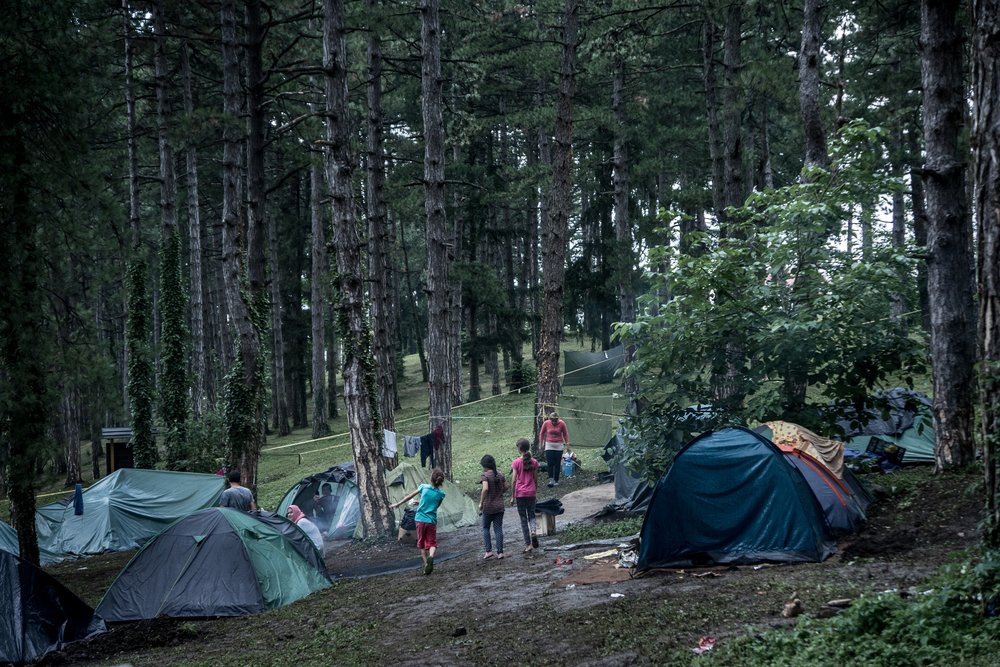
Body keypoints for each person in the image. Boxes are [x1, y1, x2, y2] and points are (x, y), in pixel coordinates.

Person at [391, 468, 446, 574]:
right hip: (431, 521)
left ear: (431, 478)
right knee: (432, 543)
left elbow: (408, 497)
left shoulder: (423, 487)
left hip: (420, 519)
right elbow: (435, 506)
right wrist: (420, 502)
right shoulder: (441, 494)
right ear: (440, 481)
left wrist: (397, 504)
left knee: (421, 543)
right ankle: (431, 556)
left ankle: (426, 566)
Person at [510, 438, 539, 553]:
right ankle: (533, 532)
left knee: (523, 519)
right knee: (531, 515)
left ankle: (528, 544)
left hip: (520, 494)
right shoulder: (535, 462)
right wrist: (534, 492)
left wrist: (513, 496)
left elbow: (513, 481)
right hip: (531, 492)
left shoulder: (516, 462)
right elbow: (535, 479)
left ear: (519, 449)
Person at [478, 454, 506, 560]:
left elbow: (485, 489)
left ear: (485, 466)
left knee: (486, 528)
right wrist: (499, 492)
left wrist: (481, 502)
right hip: (499, 506)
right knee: (498, 529)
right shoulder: (499, 474)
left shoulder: (485, 476)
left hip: (488, 507)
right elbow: (506, 486)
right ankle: (500, 552)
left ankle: (488, 551)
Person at [538, 411, 570, 487]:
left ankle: (556, 479)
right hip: (549, 444)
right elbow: (541, 433)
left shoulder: (562, 423)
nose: (554, 422)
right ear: (550, 419)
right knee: (550, 463)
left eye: (555, 420)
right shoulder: (546, 423)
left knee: (557, 463)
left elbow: (565, 434)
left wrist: (567, 443)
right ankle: (551, 479)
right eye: (552, 420)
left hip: (559, 444)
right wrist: (541, 444)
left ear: (557, 419)